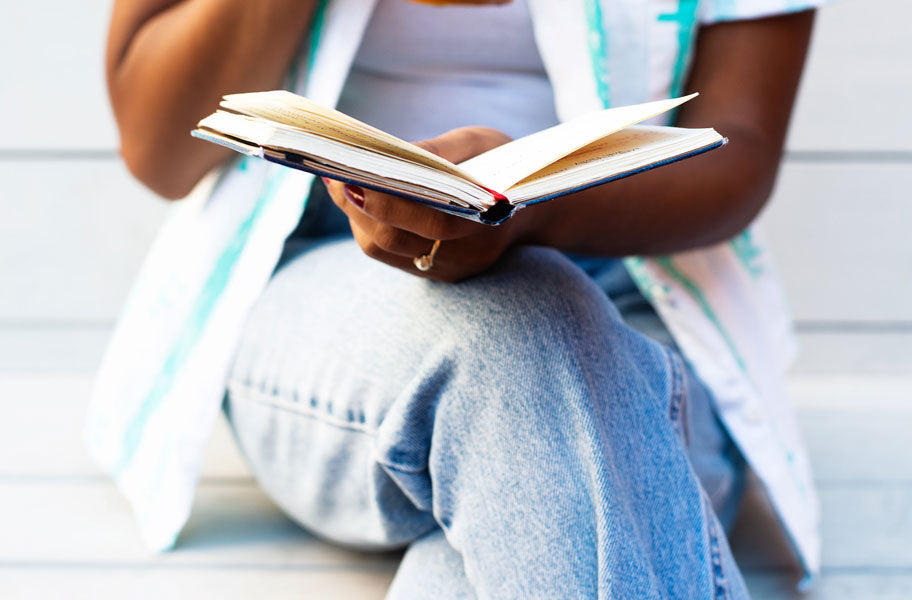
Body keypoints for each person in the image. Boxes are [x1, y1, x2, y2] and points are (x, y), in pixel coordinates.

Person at [93, 0, 823, 597]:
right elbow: (161, 147)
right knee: (528, 333)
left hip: (631, 285)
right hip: (315, 284)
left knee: (510, 520)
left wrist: (533, 213)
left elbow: (740, 149)